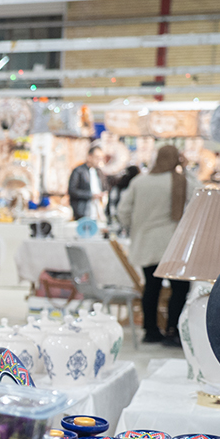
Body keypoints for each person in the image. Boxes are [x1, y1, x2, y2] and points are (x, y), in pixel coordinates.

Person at [117, 145, 196, 345]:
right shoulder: (180, 181)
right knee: (180, 288)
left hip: (145, 243)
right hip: (172, 245)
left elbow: (123, 211)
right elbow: (200, 193)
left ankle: (150, 331)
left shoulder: (140, 181)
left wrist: (134, 227)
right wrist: (186, 169)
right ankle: (172, 330)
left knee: (151, 288)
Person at [68, 145, 105, 220]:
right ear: (90, 157)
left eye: (101, 158)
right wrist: (91, 195)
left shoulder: (98, 172)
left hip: (96, 211)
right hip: (82, 211)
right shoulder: (79, 171)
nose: (99, 160)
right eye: (97, 157)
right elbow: (72, 190)